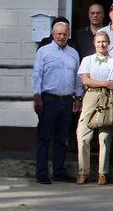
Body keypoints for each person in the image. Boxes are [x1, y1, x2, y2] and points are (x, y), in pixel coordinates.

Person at [32, 21, 83, 184]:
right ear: (53, 35)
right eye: (59, 34)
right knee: (45, 137)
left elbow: (77, 77)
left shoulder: (73, 53)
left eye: (65, 34)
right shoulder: (44, 51)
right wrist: (36, 96)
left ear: (68, 35)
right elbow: (37, 75)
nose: (62, 37)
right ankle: (41, 172)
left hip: (67, 100)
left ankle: (59, 171)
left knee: (62, 139)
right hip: (49, 99)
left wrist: (78, 97)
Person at [76, 30, 113, 185]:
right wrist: (104, 83)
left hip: (107, 97)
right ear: (94, 43)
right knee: (83, 135)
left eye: (104, 42)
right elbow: (85, 80)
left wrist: (97, 82)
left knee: (104, 137)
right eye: (98, 42)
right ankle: (84, 172)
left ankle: (103, 173)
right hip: (90, 96)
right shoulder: (87, 60)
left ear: (108, 44)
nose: (101, 45)